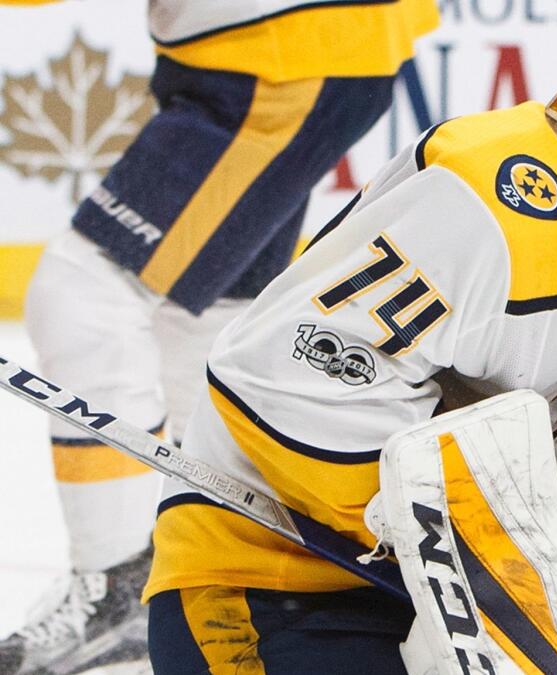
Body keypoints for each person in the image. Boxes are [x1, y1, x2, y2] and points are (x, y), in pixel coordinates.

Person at [142, 6, 557, 672]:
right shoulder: (492, 206)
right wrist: (456, 517)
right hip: (275, 574)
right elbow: (274, 381)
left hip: (486, 611)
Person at [0, 2, 440, 674]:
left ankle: (120, 585)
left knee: (81, 296)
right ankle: (206, 558)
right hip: (290, 50)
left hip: (278, 59)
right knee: (202, 321)